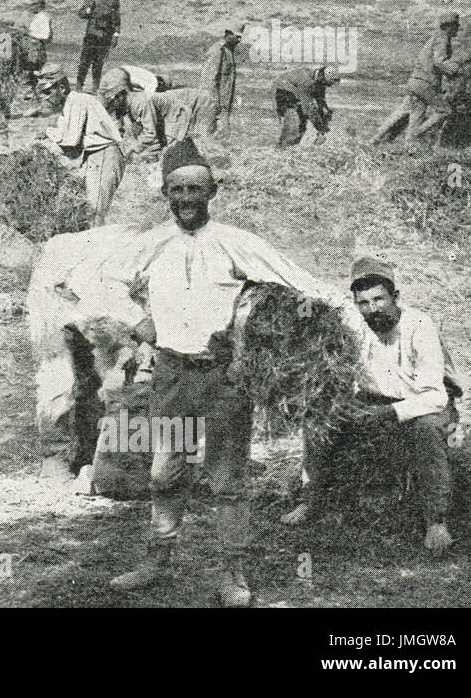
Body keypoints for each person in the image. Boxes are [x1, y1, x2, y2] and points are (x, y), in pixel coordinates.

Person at [105, 137, 345, 607]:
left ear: (213, 190)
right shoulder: (151, 244)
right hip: (172, 375)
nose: (187, 199)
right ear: (165, 195)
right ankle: (155, 560)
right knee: (165, 472)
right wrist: (137, 321)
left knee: (228, 481)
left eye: (197, 189)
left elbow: (301, 284)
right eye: (178, 190)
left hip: (223, 378)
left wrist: (304, 322)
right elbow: (95, 283)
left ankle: (233, 574)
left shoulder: (236, 242)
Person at [280, 256, 459, 555]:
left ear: (395, 297)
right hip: (374, 400)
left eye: (379, 299)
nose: (372, 309)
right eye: (363, 303)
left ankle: (436, 521)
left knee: (426, 431)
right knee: (319, 419)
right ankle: (309, 500)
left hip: (423, 402)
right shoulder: (357, 326)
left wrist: (388, 413)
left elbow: (436, 396)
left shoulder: (419, 325)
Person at [372, 12, 462, 147]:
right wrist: (456, 71)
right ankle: (416, 135)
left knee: (413, 113)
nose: (458, 29)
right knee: (445, 111)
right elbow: (439, 62)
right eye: (456, 26)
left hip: (416, 81)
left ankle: (377, 140)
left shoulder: (435, 38)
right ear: (449, 26)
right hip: (425, 82)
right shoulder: (442, 38)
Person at [43, 87, 126, 227]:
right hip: (95, 156)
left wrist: (46, 139)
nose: (45, 98)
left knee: (95, 214)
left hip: (104, 155)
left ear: (61, 89)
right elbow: (70, 149)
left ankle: (96, 247)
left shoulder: (77, 102)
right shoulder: (69, 105)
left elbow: (71, 142)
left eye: (47, 92)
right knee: (89, 212)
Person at [274, 65, 341, 148]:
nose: (325, 86)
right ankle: (282, 149)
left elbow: (321, 101)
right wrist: (321, 128)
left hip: (295, 89)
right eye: (326, 84)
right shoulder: (307, 82)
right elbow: (309, 108)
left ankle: (298, 142)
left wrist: (325, 112)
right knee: (294, 125)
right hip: (283, 91)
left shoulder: (319, 79)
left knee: (306, 122)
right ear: (321, 77)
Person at [76, 0, 120, 93]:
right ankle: (79, 85)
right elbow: (81, 13)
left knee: (99, 62)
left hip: (105, 34)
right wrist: (88, 11)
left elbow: (116, 18)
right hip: (91, 34)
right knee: (85, 60)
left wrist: (116, 35)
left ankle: (95, 87)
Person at [198, 26, 244, 138]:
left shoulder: (228, 51)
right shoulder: (218, 51)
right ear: (228, 34)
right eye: (236, 36)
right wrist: (214, 100)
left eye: (240, 37)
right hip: (214, 100)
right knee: (210, 131)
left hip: (224, 100)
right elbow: (209, 79)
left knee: (224, 133)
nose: (239, 40)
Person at [24, 0, 53, 72]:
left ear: (39, 5)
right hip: (34, 48)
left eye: (33, 5)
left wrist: (29, 34)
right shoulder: (37, 16)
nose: (30, 7)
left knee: (34, 70)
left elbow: (46, 36)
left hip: (37, 49)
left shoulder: (44, 17)